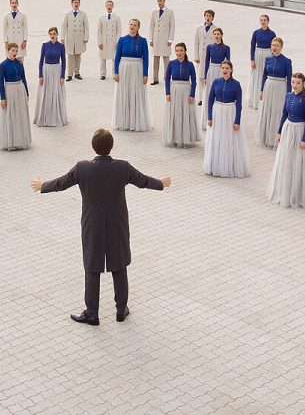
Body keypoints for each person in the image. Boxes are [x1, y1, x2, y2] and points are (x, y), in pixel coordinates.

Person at [31, 128, 170, 325]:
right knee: (119, 265)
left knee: (92, 266)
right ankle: (121, 310)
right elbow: (143, 181)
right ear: (111, 146)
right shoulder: (122, 167)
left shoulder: (82, 168)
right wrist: (161, 184)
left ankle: (92, 313)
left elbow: (62, 183)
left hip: (92, 224)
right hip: (117, 223)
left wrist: (44, 185)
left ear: (93, 147)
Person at [267, 73, 305, 209]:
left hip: (300, 131)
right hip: (288, 130)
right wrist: (279, 131)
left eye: (298, 83)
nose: (295, 85)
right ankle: (285, 190)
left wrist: (304, 139)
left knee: (298, 161)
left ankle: (298, 194)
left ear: (303, 84)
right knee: (286, 160)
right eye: (293, 82)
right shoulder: (288, 96)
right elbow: (284, 114)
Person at [204, 61, 250, 178]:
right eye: (223, 68)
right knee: (217, 138)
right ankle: (216, 165)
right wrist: (209, 116)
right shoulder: (215, 82)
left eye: (227, 68)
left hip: (230, 112)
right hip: (217, 112)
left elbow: (239, 105)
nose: (224, 70)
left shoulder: (236, 84)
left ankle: (229, 165)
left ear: (231, 70)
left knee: (228, 138)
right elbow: (210, 100)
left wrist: (237, 121)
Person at [113, 18, 150, 132]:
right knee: (124, 93)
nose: (132, 26)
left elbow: (146, 58)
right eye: (131, 24)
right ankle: (124, 121)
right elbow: (117, 57)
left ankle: (136, 121)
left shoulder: (143, 41)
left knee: (136, 93)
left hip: (137, 69)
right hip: (124, 69)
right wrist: (115, 72)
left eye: (135, 25)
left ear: (138, 27)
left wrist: (145, 74)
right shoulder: (122, 40)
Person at [255, 37, 292, 149]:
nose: (274, 48)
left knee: (277, 111)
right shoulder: (268, 59)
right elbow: (264, 75)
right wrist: (261, 89)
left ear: (281, 47)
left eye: (277, 46)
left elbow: (289, 79)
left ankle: (275, 138)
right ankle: (266, 137)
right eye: (273, 45)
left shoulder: (286, 61)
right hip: (268, 86)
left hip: (280, 87)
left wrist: (289, 94)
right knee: (267, 110)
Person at [0, 43, 32, 150]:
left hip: (20, 90)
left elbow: (24, 78)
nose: (15, 53)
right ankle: (11, 141)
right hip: (9, 90)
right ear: (8, 51)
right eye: (13, 50)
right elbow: (0, 83)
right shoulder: (3, 65)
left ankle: (21, 140)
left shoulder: (20, 63)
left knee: (20, 114)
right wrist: (2, 98)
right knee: (11, 114)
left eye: (16, 51)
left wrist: (27, 93)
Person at [163, 42, 198, 148]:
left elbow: (194, 80)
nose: (179, 53)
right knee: (175, 113)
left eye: (181, 50)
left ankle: (185, 137)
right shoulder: (171, 63)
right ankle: (174, 137)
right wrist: (167, 92)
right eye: (177, 50)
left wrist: (192, 94)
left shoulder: (190, 64)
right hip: (174, 90)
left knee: (185, 113)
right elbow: (167, 78)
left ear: (185, 51)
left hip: (186, 90)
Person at [34, 27, 69, 127]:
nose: (52, 35)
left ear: (57, 34)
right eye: (51, 34)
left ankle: (56, 116)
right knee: (46, 93)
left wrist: (62, 76)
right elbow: (41, 61)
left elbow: (64, 62)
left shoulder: (61, 46)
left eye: (54, 33)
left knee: (56, 93)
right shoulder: (45, 45)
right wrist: (40, 75)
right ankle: (45, 116)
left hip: (57, 71)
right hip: (47, 71)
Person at [200, 26, 230, 118]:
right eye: (215, 34)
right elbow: (206, 61)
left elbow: (229, 63)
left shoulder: (226, 48)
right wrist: (205, 76)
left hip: (221, 70)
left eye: (218, 34)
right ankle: (208, 115)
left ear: (221, 35)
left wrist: (229, 76)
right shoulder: (209, 47)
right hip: (211, 69)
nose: (216, 35)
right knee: (209, 91)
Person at [247, 14, 275, 106]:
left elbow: (274, 46)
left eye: (265, 20)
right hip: (258, 55)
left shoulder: (272, 33)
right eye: (261, 20)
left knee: (265, 74)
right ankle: (255, 99)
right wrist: (252, 59)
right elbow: (252, 46)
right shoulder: (256, 32)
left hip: (268, 54)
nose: (263, 21)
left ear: (268, 21)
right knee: (257, 75)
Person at [192, 9, 220, 100]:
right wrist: (196, 55)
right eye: (206, 15)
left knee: (208, 76)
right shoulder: (198, 27)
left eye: (210, 16)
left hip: (210, 57)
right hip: (200, 55)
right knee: (200, 77)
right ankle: (200, 98)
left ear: (213, 18)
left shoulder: (215, 29)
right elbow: (196, 42)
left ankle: (208, 96)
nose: (208, 17)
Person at [148, 0, 175, 85]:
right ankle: (155, 79)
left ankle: (166, 78)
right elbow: (152, 26)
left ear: (164, 1)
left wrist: (170, 39)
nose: (159, 2)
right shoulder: (154, 12)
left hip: (165, 38)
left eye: (161, 1)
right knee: (155, 60)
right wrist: (151, 38)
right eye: (158, 1)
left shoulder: (170, 12)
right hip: (156, 38)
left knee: (166, 60)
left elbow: (172, 26)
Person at [61, 0, 89, 80]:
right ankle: (69, 74)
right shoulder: (67, 14)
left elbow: (86, 26)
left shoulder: (83, 14)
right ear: (72, 4)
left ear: (79, 4)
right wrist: (62, 38)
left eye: (77, 2)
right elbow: (63, 26)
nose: (76, 4)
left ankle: (77, 72)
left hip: (79, 38)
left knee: (78, 56)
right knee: (70, 56)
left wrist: (86, 37)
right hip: (70, 38)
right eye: (75, 2)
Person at [97, 0, 121, 80]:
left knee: (114, 58)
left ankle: (115, 73)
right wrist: (99, 42)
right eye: (107, 5)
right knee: (102, 58)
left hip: (113, 40)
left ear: (113, 6)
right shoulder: (101, 17)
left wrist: (118, 42)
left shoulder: (117, 17)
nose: (109, 7)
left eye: (110, 5)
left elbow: (119, 30)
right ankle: (102, 74)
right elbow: (99, 31)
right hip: (104, 40)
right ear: (105, 6)